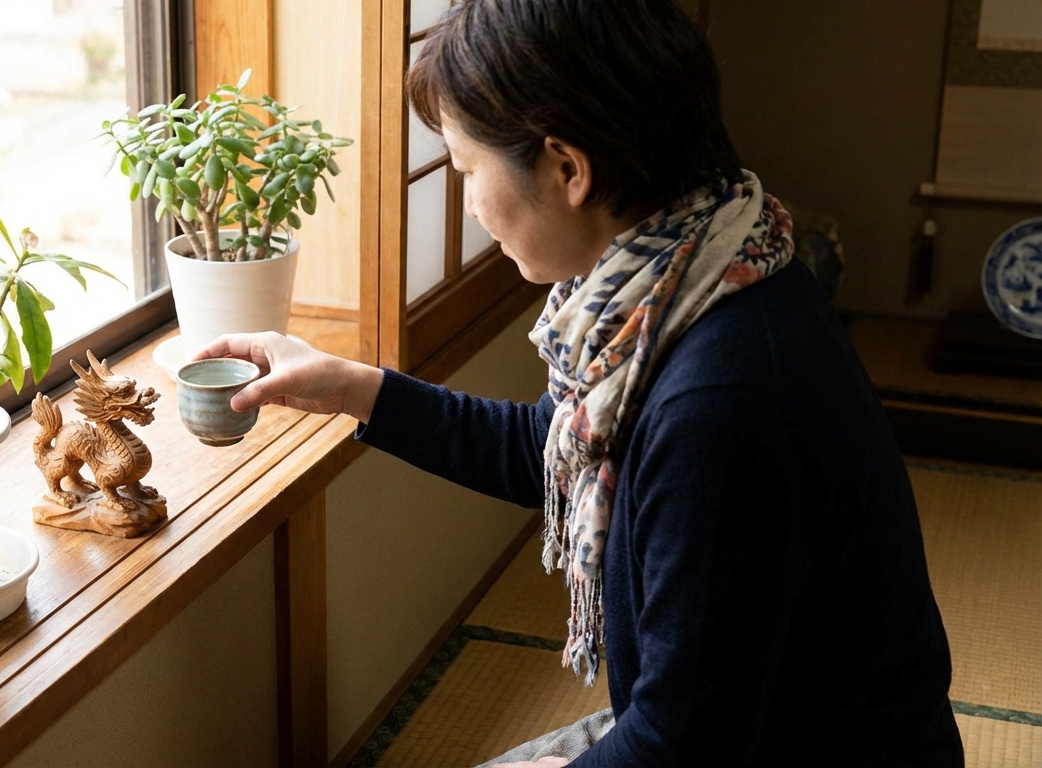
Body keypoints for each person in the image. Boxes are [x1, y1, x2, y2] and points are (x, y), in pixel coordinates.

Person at [195, 0, 964, 765]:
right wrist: (350, 387)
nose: (468, 202)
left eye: (468, 168)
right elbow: (557, 448)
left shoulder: (720, 399)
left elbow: (679, 745)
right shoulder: (711, 260)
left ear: (567, 168)